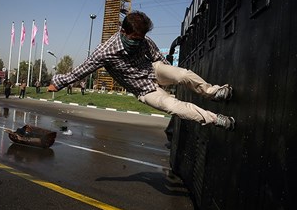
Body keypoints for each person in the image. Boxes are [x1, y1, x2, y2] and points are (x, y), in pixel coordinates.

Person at [48, 11, 235, 131]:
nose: (137, 42)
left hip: (153, 71)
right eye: (134, 38)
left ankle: (214, 93)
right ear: (123, 31)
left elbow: (157, 58)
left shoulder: (144, 41)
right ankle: (216, 119)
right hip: (144, 90)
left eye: (141, 38)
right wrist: (58, 82)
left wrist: (169, 75)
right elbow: (82, 70)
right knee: (172, 106)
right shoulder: (104, 52)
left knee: (183, 74)